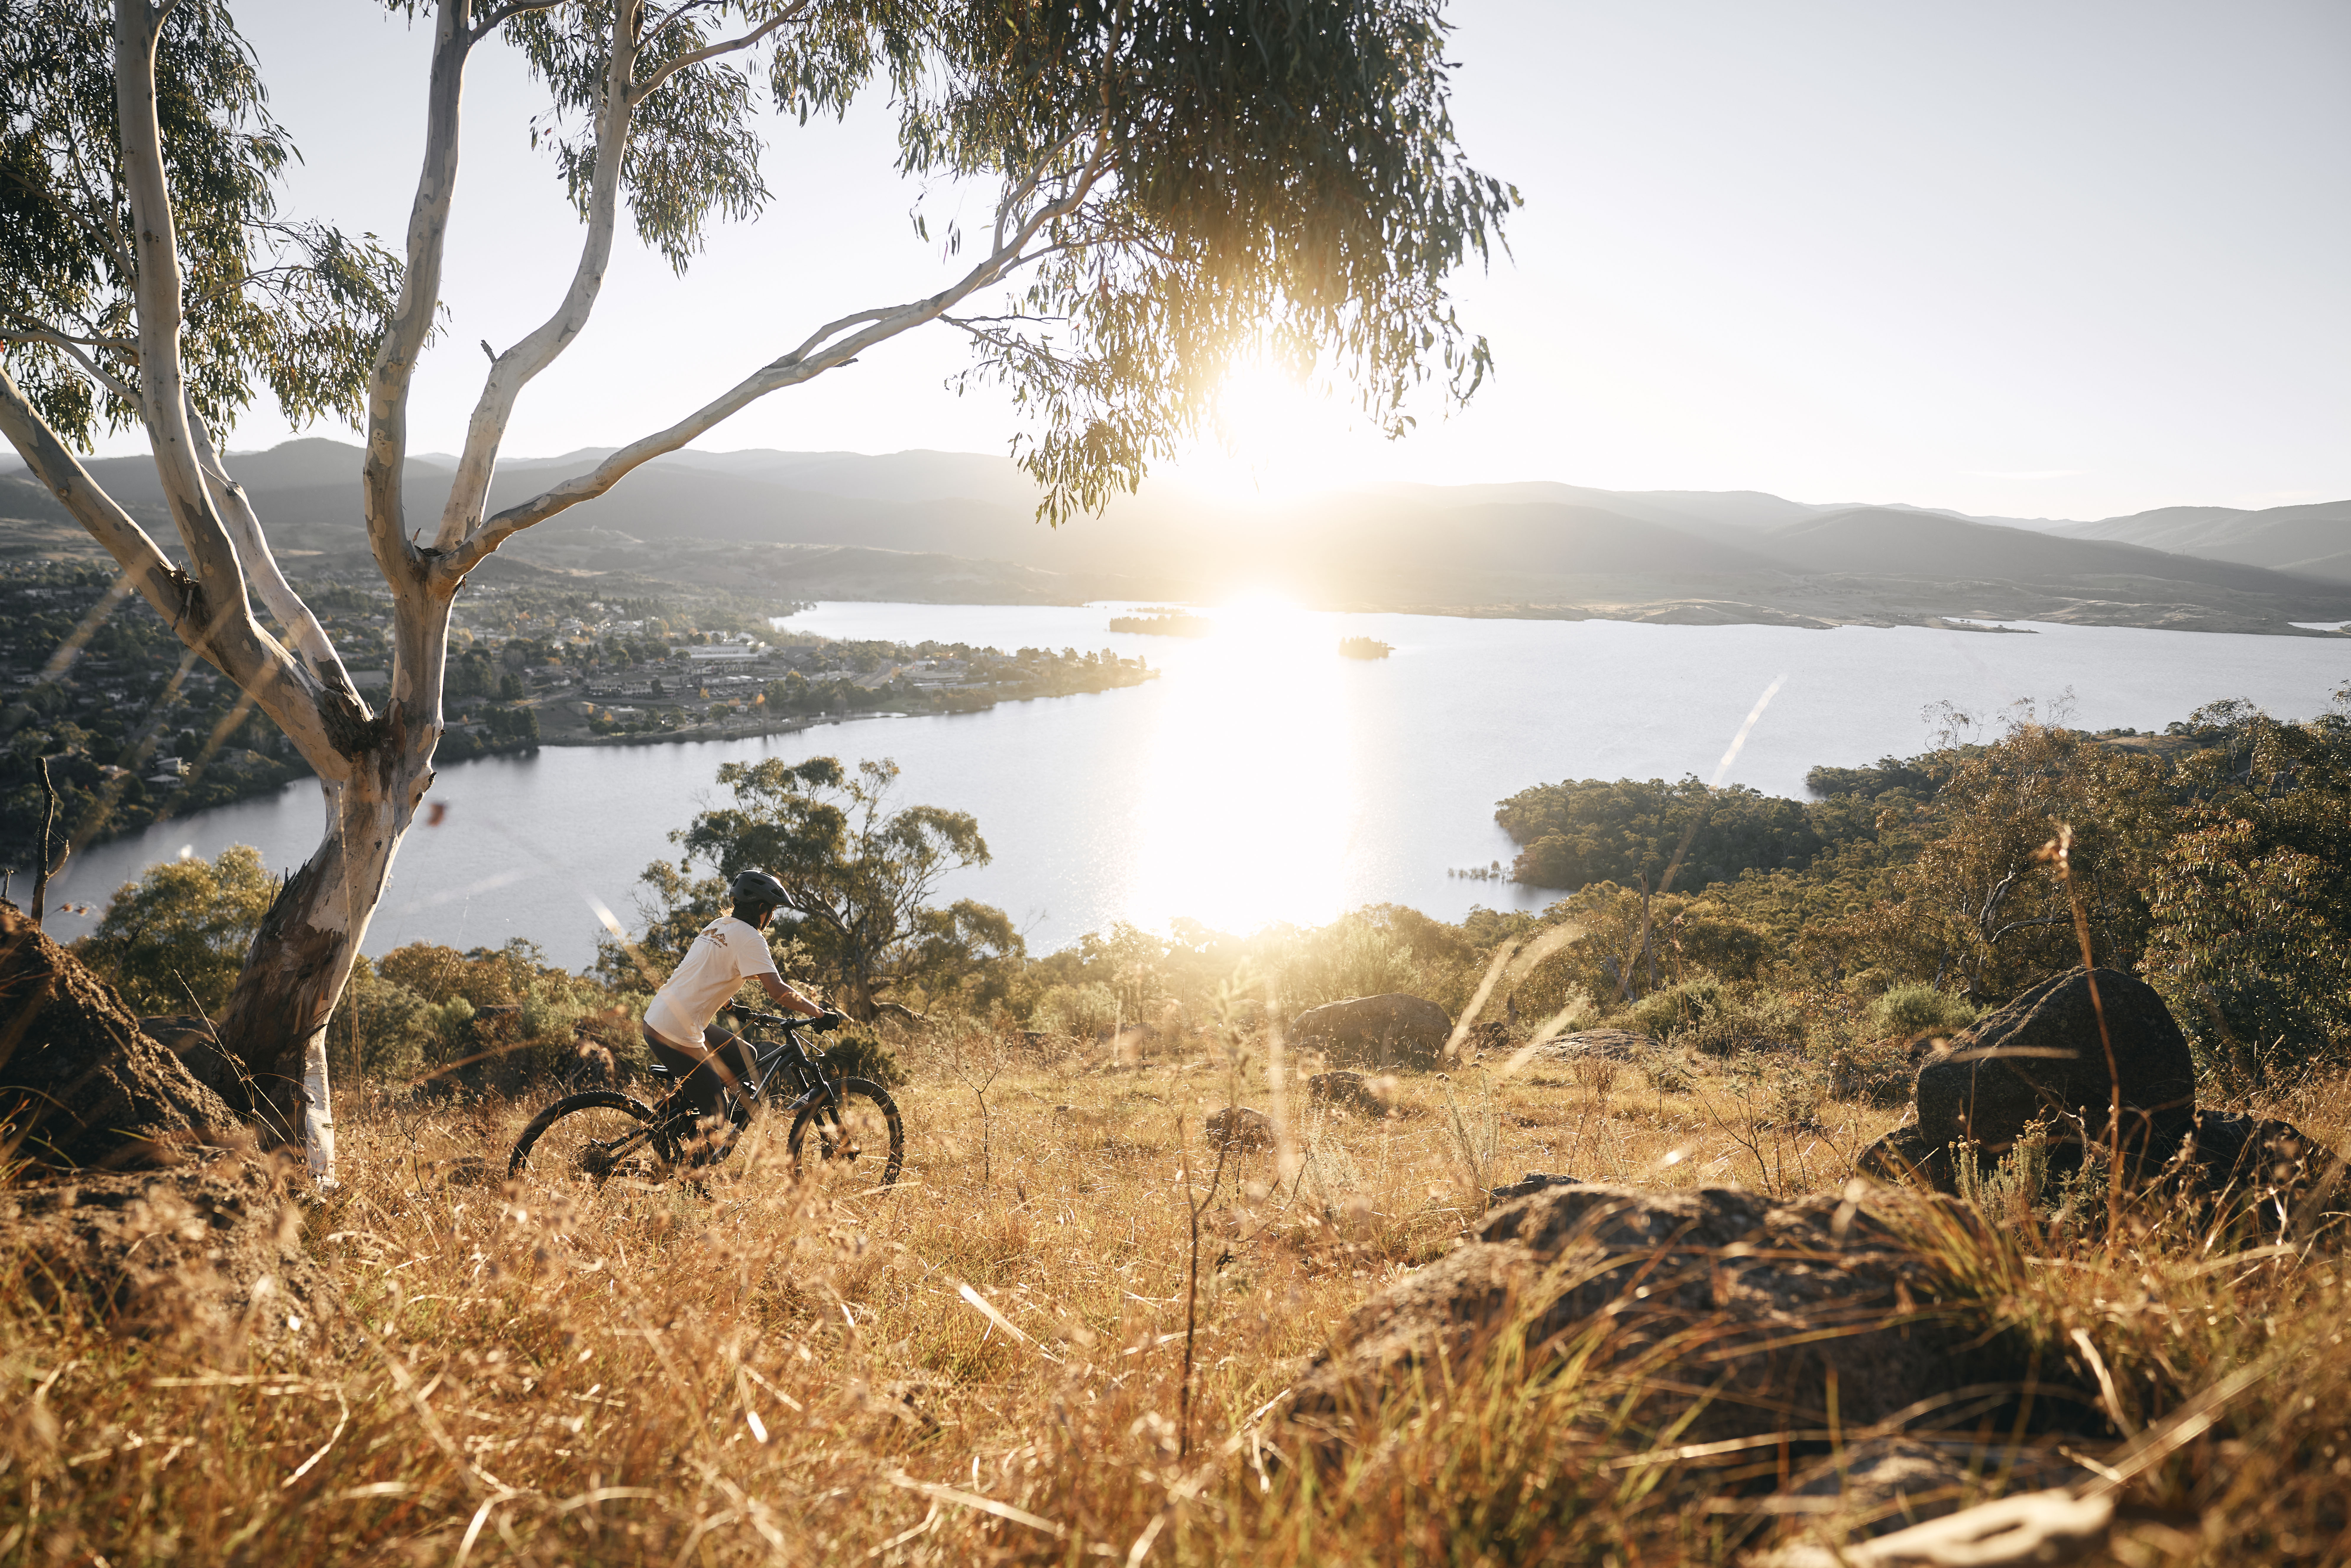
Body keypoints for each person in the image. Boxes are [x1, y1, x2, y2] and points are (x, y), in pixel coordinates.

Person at [641, 869, 832, 1150]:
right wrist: (820, 1013)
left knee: (746, 1056)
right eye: (773, 910)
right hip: (677, 1029)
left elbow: (709, 971)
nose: (773, 918)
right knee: (717, 1107)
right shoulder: (751, 937)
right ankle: (691, 1166)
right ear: (761, 907)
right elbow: (777, 991)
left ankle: (678, 1116)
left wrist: (732, 1007)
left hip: (661, 1015)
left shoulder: (719, 926)